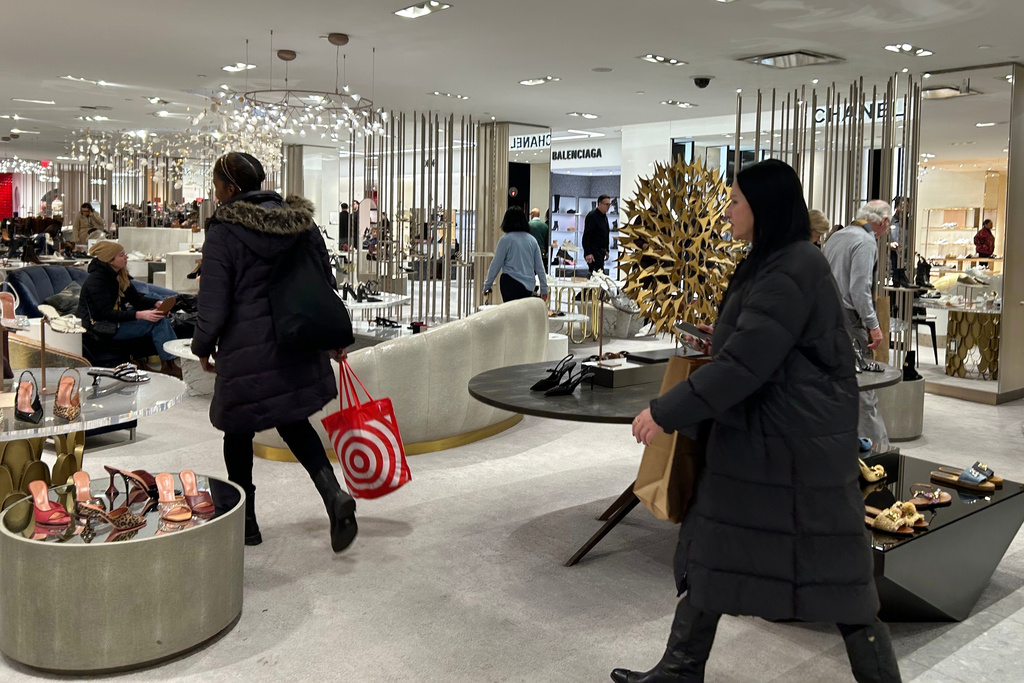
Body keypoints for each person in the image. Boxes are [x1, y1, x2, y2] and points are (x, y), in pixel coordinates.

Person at [619, 160, 901, 683]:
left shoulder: (790, 267)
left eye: (735, 201)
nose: (726, 211)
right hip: (768, 438)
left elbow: (744, 365)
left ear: (764, 207)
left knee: (835, 576)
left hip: (789, 446)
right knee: (714, 544)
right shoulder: (775, 260)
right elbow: (761, 343)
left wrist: (664, 411)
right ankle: (680, 669)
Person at [191, 152, 357, 553]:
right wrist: (328, 335)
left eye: (216, 186)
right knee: (295, 421)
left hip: (246, 347)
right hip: (296, 338)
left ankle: (245, 523)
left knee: (237, 430)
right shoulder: (300, 222)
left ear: (231, 188)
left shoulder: (224, 231)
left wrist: (202, 344)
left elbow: (214, 300)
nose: (216, 193)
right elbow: (323, 281)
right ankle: (333, 495)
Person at [822, 200, 892, 448]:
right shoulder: (865, 242)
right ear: (884, 221)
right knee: (864, 391)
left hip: (826, 318)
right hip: (849, 321)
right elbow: (859, 289)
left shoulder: (836, 237)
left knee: (834, 387)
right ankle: (878, 450)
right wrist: (874, 325)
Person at [76, 240, 179, 377]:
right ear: (110, 260)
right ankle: (170, 365)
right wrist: (140, 315)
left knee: (154, 301)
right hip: (102, 327)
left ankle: (164, 364)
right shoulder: (97, 281)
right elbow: (105, 313)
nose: (126, 257)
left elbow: (136, 299)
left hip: (115, 321)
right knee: (157, 322)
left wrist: (156, 303)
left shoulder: (119, 275)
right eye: (121, 255)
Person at [483, 207, 549, 303]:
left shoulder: (505, 240)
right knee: (523, 310)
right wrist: (544, 288)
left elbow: (496, 264)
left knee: (511, 311)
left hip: (510, 283)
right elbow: (540, 267)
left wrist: (487, 285)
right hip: (528, 285)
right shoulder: (532, 240)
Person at [583, 195, 612, 273]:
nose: (608, 207)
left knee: (599, 273)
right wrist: (588, 253)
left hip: (601, 251)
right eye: (606, 204)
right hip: (593, 252)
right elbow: (586, 236)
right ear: (599, 204)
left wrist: (606, 249)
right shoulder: (592, 216)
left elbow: (605, 234)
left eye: (609, 205)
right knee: (596, 274)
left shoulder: (604, 217)